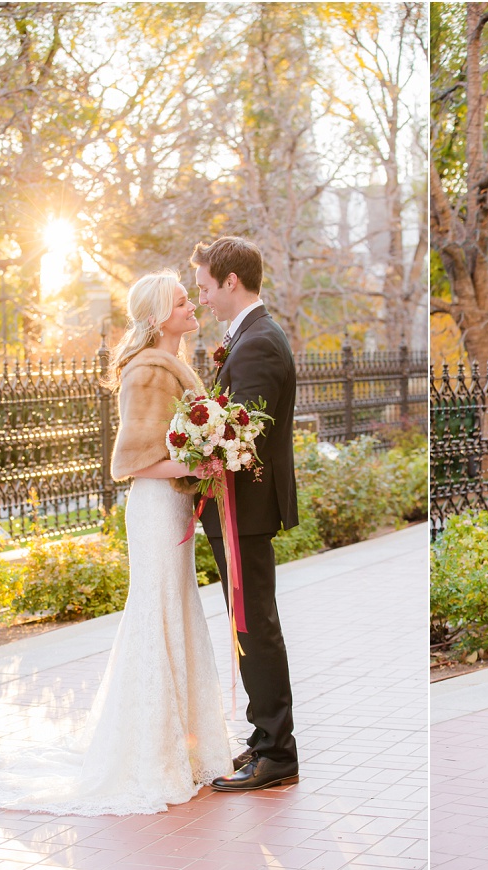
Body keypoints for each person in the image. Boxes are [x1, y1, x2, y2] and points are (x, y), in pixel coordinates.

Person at [0, 270, 231, 815]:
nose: (192, 308)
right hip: (157, 511)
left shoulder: (174, 365)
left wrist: (205, 459)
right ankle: (150, 757)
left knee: (176, 613)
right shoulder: (147, 372)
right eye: (183, 302)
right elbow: (129, 462)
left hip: (173, 506)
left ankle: (185, 750)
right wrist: (199, 461)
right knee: (156, 615)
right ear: (159, 317)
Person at [191, 236, 300, 792]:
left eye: (206, 287)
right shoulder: (251, 337)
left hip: (245, 508)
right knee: (249, 622)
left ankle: (277, 751)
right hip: (240, 507)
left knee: (255, 625)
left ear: (231, 281)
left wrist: (192, 449)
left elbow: (242, 434)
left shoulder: (257, 343)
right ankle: (264, 742)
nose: (203, 298)